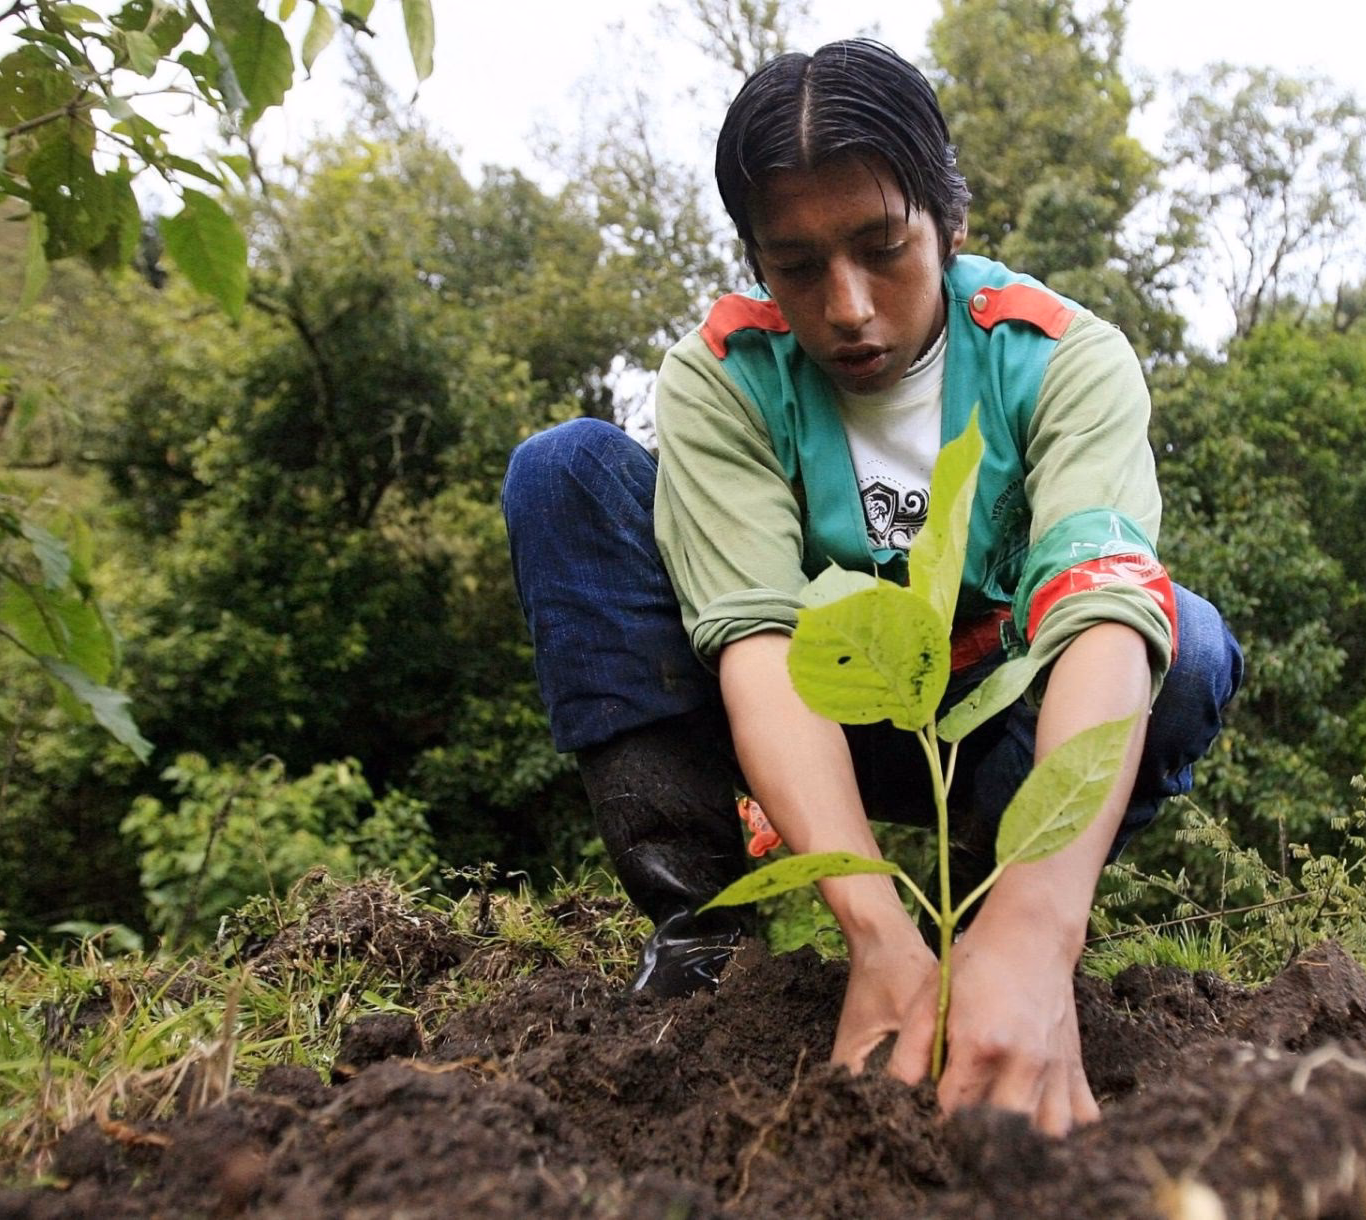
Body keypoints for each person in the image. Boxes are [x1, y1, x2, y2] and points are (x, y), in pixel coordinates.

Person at [501, 38, 1242, 1136]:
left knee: (1178, 642)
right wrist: (872, 928)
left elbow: (1099, 612)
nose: (847, 305)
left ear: (952, 222)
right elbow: (755, 642)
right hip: (811, 719)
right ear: (756, 260)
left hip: (995, 728)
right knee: (564, 471)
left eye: (882, 248)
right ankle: (705, 940)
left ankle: (994, 934)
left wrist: (1041, 928)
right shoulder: (723, 378)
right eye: (796, 266)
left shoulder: (1061, 357)